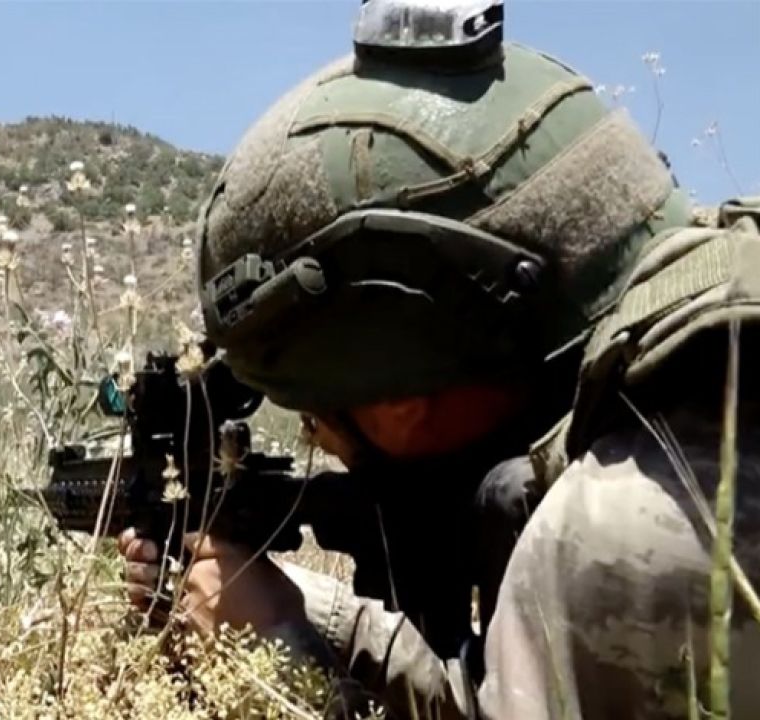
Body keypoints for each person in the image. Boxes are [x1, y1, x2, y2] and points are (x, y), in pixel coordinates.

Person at [118, 1, 760, 717]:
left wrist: (284, 671)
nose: (316, 440)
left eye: (317, 416)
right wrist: (323, 621)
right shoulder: (702, 393)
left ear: (403, 402)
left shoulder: (627, 530)